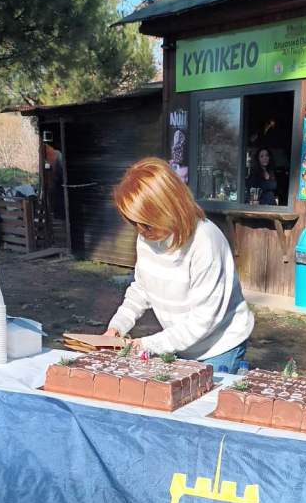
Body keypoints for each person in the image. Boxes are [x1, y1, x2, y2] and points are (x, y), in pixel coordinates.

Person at [105, 157, 253, 372]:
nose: (141, 231)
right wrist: (118, 326)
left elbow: (203, 320)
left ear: (168, 207)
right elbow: (142, 288)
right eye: (134, 223)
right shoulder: (146, 237)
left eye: (146, 224)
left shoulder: (205, 241)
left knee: (207, 394)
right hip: (181, 342)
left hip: (219, 346)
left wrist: (147, 344)